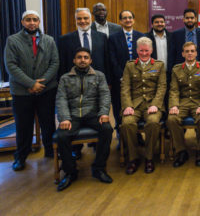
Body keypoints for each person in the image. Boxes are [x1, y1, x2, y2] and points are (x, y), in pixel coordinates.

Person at [4, 10, 59, 171]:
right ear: (23, 22)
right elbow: (11, 66)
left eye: (35, 20)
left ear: (39, 21)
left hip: (46, 89)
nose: (32, 23)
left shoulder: (49, 40)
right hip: (22, 91)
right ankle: (21, 156)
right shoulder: (12, 41)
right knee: (23, 125)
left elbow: (55, 63)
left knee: (48, 123)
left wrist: (42, 82)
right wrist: (30, 83)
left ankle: (50, 151)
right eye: (28, 20)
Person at [55, 47, 113, 191]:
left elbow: (105, 96)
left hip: (92, 114)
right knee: (62, 136)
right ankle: (70, 172)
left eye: (86, 57)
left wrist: (104, 113)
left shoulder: (99, 76)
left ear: (90, 60)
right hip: (72, 116)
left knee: (107, 130)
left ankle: (99, 168)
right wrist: (64, 118)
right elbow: (61, 99)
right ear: (74, 60)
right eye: (79, 57)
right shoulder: (65, 78)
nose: (82, 60)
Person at [121, 37, 167, 174]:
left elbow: (162, 87)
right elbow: (125, 88)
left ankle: (149, 157)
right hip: (134, 105)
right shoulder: (129, 65)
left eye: (147, 50)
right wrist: (127, 106)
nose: (144, 53)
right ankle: (133, 158)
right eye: (141, 50)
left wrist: (156, 105)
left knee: (153, 122)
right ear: (137, 50)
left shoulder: (159, 65)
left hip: (152, 104)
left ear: (151, 50)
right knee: (127, 123)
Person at [168, 42, 200, 167]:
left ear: (196, 53)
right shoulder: (176, 69)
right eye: (187, 51)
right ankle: (181, 151)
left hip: (199, 102)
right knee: (172, 119)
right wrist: (174, 106)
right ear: (183, 54)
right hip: (182, 102)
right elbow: (174, 90)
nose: (190, 53)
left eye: (192, 51)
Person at [108, 10, 144, 134]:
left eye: (130, 17)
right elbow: (112, 59)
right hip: (119, 79)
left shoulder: (141, 36)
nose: (128, 20)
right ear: (120, 21)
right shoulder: (113, 38)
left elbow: (146, 57)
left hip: (139, 80)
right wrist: (121, 76)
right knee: (119, 107)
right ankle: (120, 136)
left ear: (133, 20)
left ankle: (137, 136)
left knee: (136, 108)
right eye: (125, 18)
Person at [58, 8, 110, 81]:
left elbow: (107, 61)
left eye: (85, 18)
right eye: (79, 18)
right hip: (74, 82)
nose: (82, 21)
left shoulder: (102, 37)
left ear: (91, 19)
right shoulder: (65, 39)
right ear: (75, 20)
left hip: (98, 81)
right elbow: (63, 64)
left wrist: (108, 81)